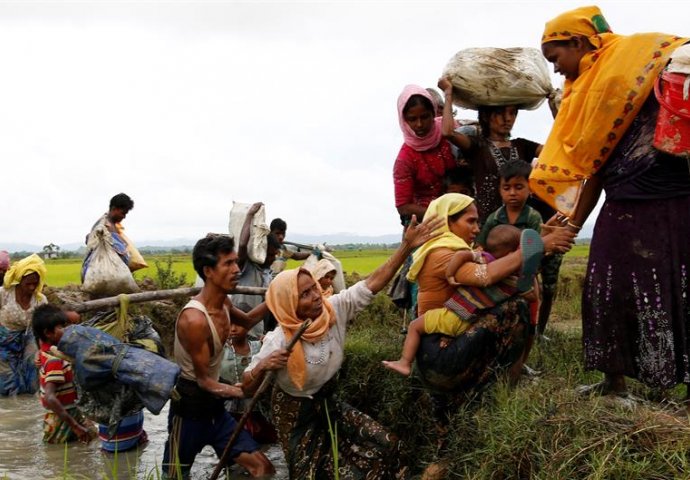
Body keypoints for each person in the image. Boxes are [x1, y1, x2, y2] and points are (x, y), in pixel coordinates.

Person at [534, 6, 689, 396]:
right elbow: (597, 167)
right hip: (623, 204)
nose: (556, 70)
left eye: (556, 58)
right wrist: (571, 222)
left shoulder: (617, 75)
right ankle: (613, 381)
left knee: (679, 290)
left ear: (578, 42)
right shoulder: (594, 87)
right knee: (606, 288)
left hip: (672, 202)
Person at [241, 214, 444, 479]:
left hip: (327, 401)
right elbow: (245, 386)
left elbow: (372, 283)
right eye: (304, 294)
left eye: (313, 288)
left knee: (388, 445)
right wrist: (264, 366)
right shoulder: (280, 340)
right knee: (307, 475)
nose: (316, 296)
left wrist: (406, 246)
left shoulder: (334, 309)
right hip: (294, 413)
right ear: (289, 304)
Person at [403, 194, 573, 397]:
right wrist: (540, 245)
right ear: (448, 221)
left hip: (440, 351)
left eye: (478, 222)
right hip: (441, 358)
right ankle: (505, 390)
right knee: (516, 306)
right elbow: (487, 275)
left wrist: (541, 236)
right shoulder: (442, 255)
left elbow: (508, 263)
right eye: (470, 221)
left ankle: (495, 386)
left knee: (510, 293)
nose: (477, 229)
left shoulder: (454, 250)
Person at [439, 78, 564, 338]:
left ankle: (535, 334)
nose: (508, 119)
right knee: (495, 285)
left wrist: (556, 110)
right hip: (490, 229)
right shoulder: (478, 147)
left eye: (512, 113)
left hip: (524, 227)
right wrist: (448, 94)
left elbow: (558, 149)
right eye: (501, 113)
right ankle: (497, 337)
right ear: (486, 116)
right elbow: (449, 133)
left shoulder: (523, 146)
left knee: (532, 284)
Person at [162, 234, 274, 479]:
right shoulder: (195, 319)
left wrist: (275, 295)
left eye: (236, 262)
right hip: (189, 410)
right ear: (208, 271)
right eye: (228, 264)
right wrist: (244, 391)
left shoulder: (224, 303)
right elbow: (205, 381)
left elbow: (248, 320)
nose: (236, 269)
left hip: (216, 410)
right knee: (174, 476)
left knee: (263, 469)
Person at [382, 224, 536, 377]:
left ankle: (404, 362)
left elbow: (461, 256)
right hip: (473, 323)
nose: (476, 228)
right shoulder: (514, 278)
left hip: (454, 315)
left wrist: (450, 272)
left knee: (415, 326)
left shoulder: (486, 260)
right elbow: (532, 296)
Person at [393, 84, 459, 227]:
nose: (419, 124)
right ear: (404, 120)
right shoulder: (405, 158)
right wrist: (443, 214)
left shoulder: (450, 131)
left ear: (433, 113)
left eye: (425, 117)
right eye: (412, 119)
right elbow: (403, 206)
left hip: (463, 215)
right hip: (428, 224)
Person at [32, 304, 95, 444]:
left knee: (81, 446)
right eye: (61, 327)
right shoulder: (55, 360)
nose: (67, 330)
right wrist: (75, 426)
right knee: (58, 456)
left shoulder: (48, 350)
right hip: (62, 418)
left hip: (68, 412)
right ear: (48, 333)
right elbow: (50, 397)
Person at [219, 321, 277, 445]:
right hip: (231, 408)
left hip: (260, 407)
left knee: (265, 444)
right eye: (230, 324)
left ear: (248, 326)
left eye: (238, 324)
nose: (233, 329)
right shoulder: (220, 350)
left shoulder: (261, 346)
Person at [0, 253, 48, 395]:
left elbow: (43, 327)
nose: (32, 287)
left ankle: (29, 407)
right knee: (7, 379)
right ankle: (11, 410)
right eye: (28, 283)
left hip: (30, 338)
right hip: (4, 341)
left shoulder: (40, 300)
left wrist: (42, 351)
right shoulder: (4, 294)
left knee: (33, 371)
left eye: (35, 283)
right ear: (20, 280)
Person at [232, 202, 280, 338]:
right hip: (237, 330)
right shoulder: (246, 267)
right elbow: (242, 245)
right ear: (262, 252)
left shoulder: (268, 274)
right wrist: (250, 215)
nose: (273, 259)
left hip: (256, 332)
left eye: (275, 255)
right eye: (270, 255)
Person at [81, 192, 136, 281]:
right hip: (99, 273)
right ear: (114, 209)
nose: (124, 217)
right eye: (123, 213)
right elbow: (90, 240)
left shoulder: (114, 226)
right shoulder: (103, 225)